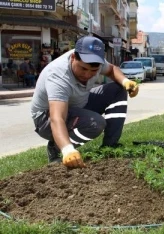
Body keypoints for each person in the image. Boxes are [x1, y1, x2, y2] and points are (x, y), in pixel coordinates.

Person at [31, 36, 139, 168]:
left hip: (78, 105)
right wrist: (67, 150)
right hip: (45, 119)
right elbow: (57, 118)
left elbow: (111, 70)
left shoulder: (95, 60)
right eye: (83, 69)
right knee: (96, 123)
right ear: (73, 58)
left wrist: (125, 81)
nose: (88, 75)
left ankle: (110, 145)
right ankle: (57, 148)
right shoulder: (58, 76)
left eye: (93, 71)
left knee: (118, 89)